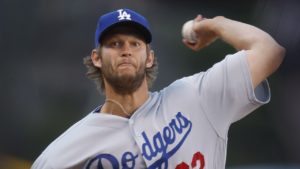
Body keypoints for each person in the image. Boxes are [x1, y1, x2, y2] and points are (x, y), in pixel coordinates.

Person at [31, 8, 285, 169]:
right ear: (97, 58)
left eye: (135, 43)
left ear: (150, 57)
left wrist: (215, 24)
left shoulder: (196, 97)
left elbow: (269, 50)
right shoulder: (64, 153)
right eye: (115, 43)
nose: (126, 50)